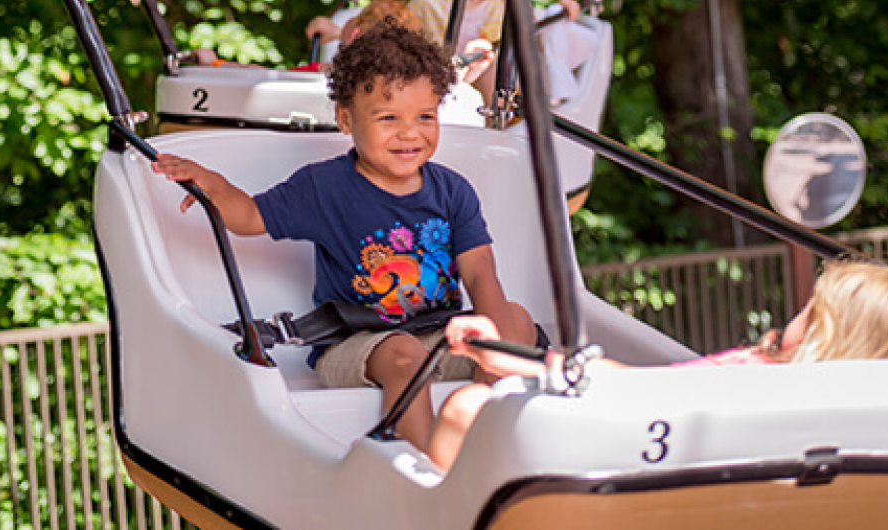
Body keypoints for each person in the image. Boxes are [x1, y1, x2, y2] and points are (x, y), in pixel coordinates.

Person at [152, 21, 537, 453]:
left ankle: (488, 431)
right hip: (360, 345)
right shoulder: (325, 187)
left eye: (425, 117)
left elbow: (482, 277)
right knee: (403, 353)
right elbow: (250, 216)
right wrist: (216, 188)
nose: (410, 133)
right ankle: (432, 465)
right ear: (346, 119)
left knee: (516, 319)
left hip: (437, 337)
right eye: (388, 118)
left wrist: (490, 350)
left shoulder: (452, 190)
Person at [427, 259, 888, 469]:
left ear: (830, 332)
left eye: (815, 306)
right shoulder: (851, 411)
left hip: (648, 461)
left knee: (467, 406)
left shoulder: (760, 384)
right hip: (672, 456)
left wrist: (516, 362)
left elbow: (637, 390)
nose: (802, 306)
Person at [307, 0, 590, 106]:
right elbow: (387, 23)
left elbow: (496, 45)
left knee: (493, 72)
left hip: (475, 66)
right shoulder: (425, 6)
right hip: (424, 63)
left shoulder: (504, 7)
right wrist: (340, 31)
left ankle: (498, 126)